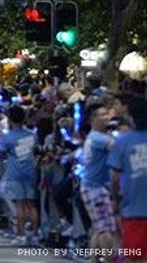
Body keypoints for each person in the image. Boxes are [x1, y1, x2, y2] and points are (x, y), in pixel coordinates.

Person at [108, 95, 147, 261]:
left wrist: (115, 199)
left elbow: (114, 177)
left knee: (134, 257)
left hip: (133, 210)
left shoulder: (123, 142)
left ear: (131, 117)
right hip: (134, 210)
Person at [81, 99, 119, 258]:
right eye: (102, 115)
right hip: (95, 189)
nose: (107, 117)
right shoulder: (98, 138)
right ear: (92, 119)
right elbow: (118, 147)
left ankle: (94, 260)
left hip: (92, 187)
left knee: (99, 228)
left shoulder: (95, 136)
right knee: (106, 229)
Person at [0, 104, 39, 245]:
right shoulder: (32, 135)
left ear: (10, 119)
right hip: (30, 171)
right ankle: (34, 235)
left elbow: (1, 152)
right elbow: (36, 150)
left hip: (15, 172)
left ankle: (21, 235)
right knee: (31, 204)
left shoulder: (8, 137)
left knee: (20, 205)